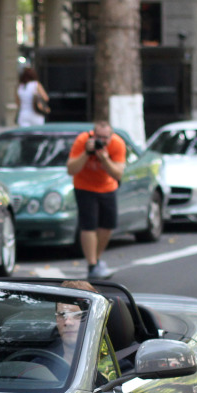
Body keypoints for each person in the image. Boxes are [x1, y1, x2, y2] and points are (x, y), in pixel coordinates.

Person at [66, 120, 125, 281]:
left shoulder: (118, 144)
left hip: (108, 187)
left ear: (111, 137)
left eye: (105, 138)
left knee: (107, 226)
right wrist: (86, 153)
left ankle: (96, 259)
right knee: (88, 225)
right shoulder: (82, 141)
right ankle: (92, 265)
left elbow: (118, 174)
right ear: (92, 134)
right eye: (98, 137)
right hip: (84, 187)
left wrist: (105, 159)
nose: (101, 141)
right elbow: (71, 169)